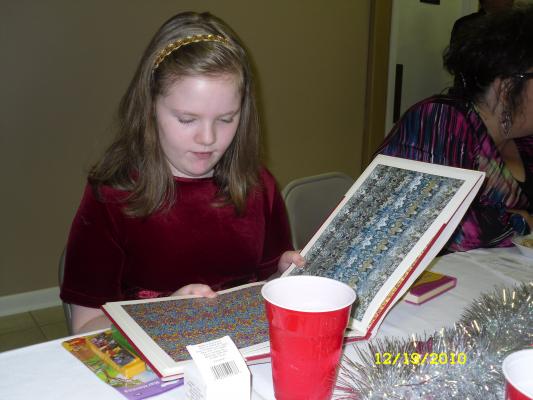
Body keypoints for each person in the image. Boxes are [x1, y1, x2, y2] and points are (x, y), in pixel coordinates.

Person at [60, 11, 304, 334]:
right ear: (150, 108)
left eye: (226, 119)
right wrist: (165, 315)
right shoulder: (113, 196)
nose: (208, 138)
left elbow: (262, 290)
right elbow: (85, 326)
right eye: (187, 120)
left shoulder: (258, 187)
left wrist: (281, 275)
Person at [377, 5, 533, 253]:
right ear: (506, 88)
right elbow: (421, 226)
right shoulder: (439, 122)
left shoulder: (525, 141)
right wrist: (518, 222)